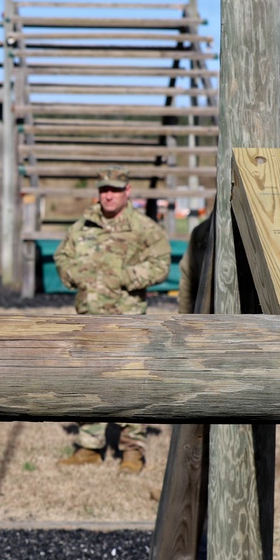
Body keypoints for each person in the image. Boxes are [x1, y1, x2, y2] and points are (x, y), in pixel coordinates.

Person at [53, 165, 170, 474]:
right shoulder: (83, 226)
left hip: (127, 321)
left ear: (127, 191)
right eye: (104, 190)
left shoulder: (143, 227)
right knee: (88, 380)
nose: (109, 195)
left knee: (130, 383)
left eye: (115, 190)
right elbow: (62, 257)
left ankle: (132, 451)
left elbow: (161, 264)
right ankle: (89, 447)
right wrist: (75, 274)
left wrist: (125, 277)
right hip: (89, 319)